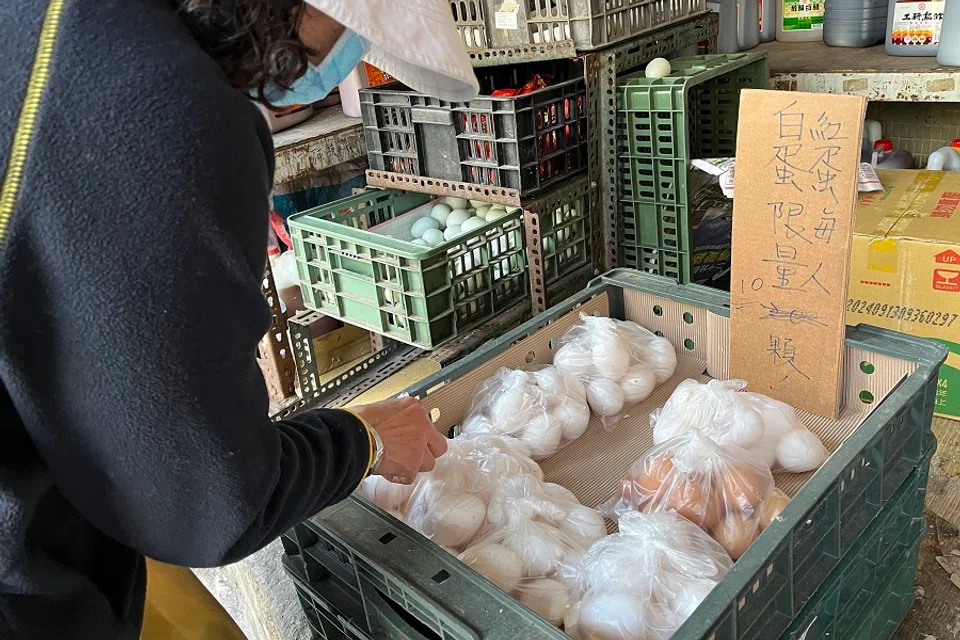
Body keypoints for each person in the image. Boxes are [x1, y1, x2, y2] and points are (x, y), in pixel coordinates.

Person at [0, 0, 478, 637]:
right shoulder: (166, 113)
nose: (345, 54)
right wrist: (362, 440)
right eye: (351, 29)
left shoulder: (66, 30)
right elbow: (203, 502)